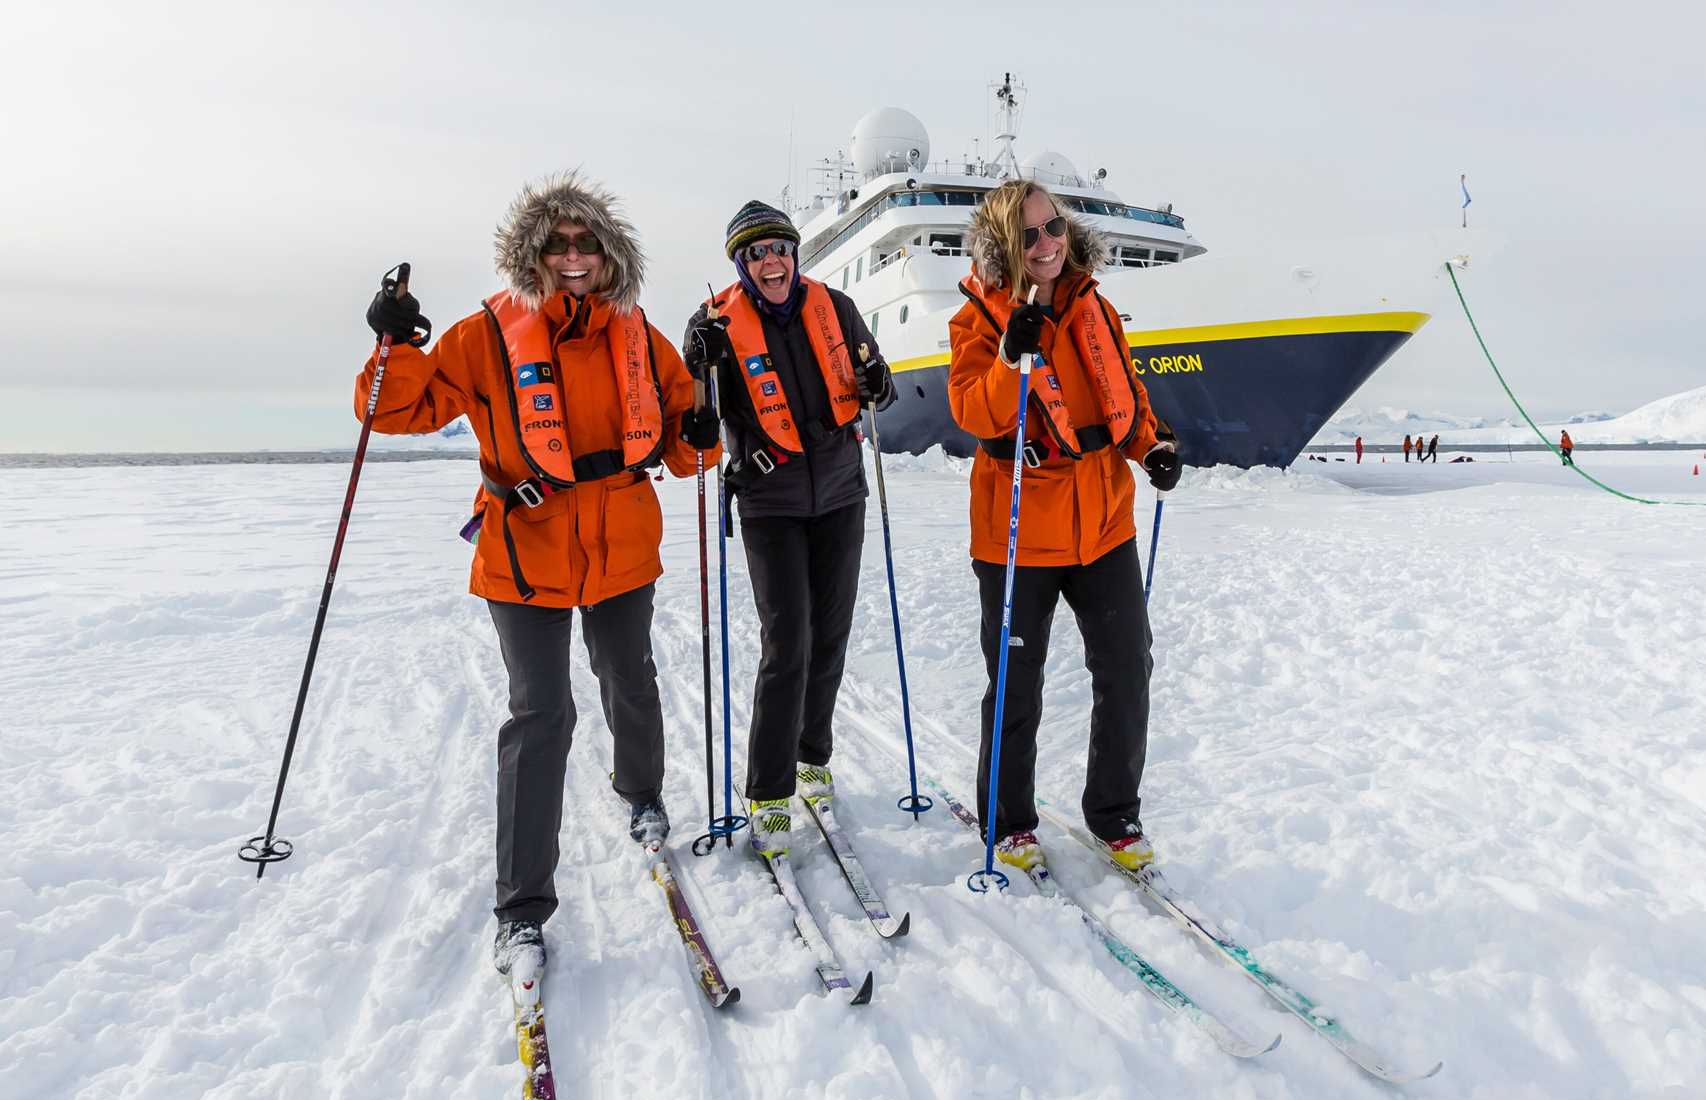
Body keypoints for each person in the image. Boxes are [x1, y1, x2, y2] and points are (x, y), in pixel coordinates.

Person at [357, 172, 712, 976]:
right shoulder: (486, 334)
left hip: (621, 545)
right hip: (522, 554)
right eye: (557, 244)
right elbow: (395, 410)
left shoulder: (641, 337)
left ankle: (642, 792)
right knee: (540, 716)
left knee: (629, 676)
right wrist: (393, 345)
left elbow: (688, 447)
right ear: (533, 255)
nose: (574, 256)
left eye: (588, 242)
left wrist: (703, 426)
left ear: (611, 252)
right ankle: (522, 908)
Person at [947, 180, 1180, 874]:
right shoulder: (978, 321)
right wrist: (1009, 358)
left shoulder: (1093, 304)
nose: (1047, 245)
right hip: (1018, 530)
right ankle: (1009, 821)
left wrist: (1153, 445)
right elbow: (974, 414)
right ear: (1003, 247)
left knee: (1126, 667)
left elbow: (1124, 396)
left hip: (1103, 521)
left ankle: (1115, 813)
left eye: (1053, 229)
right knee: (1018, 683)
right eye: (1029, 236)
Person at [681, 201, 896, 860]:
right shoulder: (714, 322)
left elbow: (877, 389)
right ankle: (769, 793)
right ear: (742, 266)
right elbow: (697, 406)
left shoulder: (835, 306)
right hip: (770, 502)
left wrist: (877, 382)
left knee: (829, 637)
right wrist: (701, 363)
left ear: (793, 253)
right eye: (756, 254)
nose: (771, 262)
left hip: (840, 495)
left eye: (779, 249)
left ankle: (812, 761)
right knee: (788, 645)